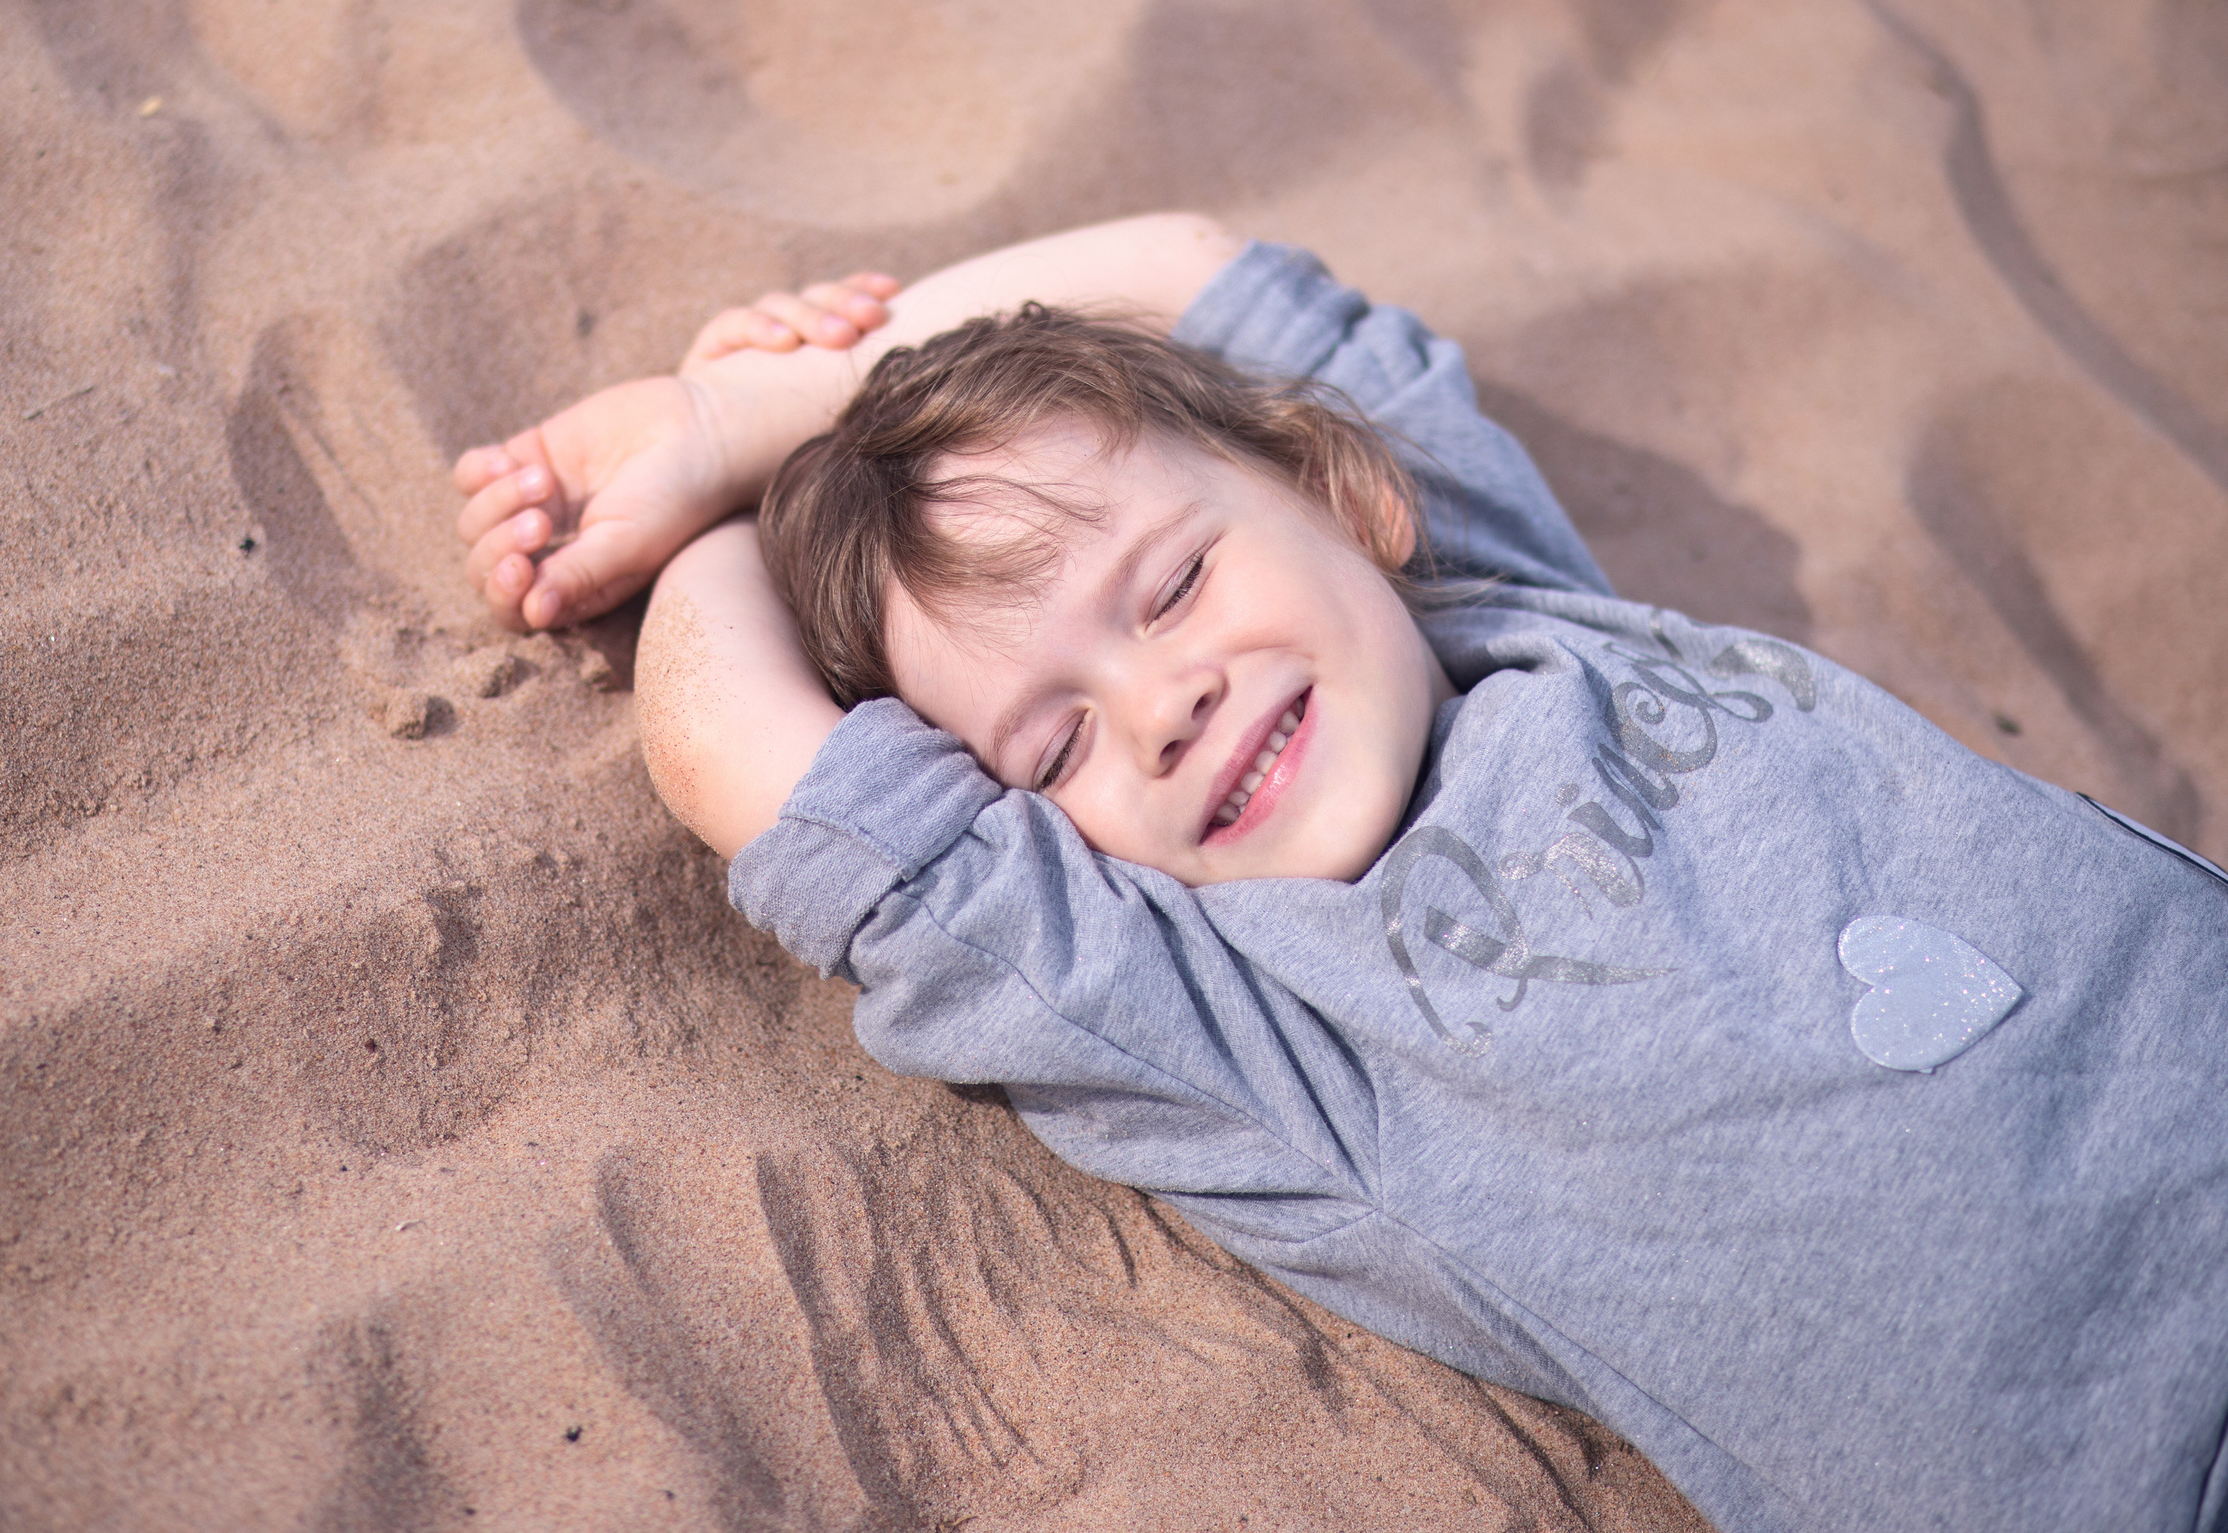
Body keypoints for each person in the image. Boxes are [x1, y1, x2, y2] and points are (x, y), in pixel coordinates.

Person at [452, 215, 2228, 1533]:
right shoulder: (1253, 1024)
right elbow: (734, 753)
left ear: (1333, 488)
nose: (1161, 706)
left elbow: (1187, 263)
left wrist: (806, 394)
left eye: (1168, 588)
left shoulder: (1507, 593)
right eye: (1051, 748)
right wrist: (720, 486)